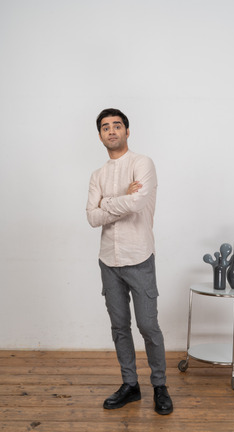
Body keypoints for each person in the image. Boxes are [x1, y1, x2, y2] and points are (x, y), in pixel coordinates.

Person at [86, 108, 173, 415]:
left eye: (117, 125)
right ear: (100, 135)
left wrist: (108, 202)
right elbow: (91, 218)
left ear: (127, 131)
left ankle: (160, 386)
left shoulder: (142, 163)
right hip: (108, 260)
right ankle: (130, 386)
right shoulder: (97, 175)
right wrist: (120, 198)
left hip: (139, 257)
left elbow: (137, 203)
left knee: (148, 326)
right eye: (106, 127)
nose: (112, 131)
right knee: (120, 327)